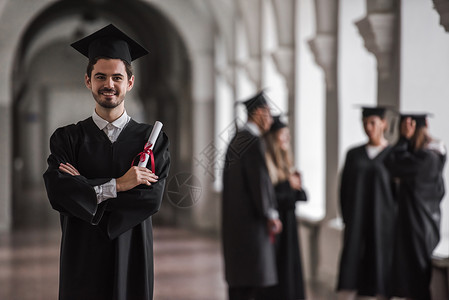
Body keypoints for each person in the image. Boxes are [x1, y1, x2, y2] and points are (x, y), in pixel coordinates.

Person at [43, 24, 170, 300]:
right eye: (100, 77)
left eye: (117, 77)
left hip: (132, 252)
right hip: (82, 253)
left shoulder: (152, 140)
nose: (109, 85)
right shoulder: (67, 138)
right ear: (88, 80)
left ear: (130, 82)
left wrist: (86, 191)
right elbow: (59, 193)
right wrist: (120, 184)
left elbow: (150, 199)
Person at [222, 91, 282, 300]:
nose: (271, 119)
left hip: (237, 227)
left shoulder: (237, 140)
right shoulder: (252, 141)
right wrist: (271, 214)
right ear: (258, 113)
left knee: (240, 284)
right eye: (268, 113)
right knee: (251, 284)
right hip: (251, 228)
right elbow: (260, 184)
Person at [337, 107, 396, 300]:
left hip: (383, 222)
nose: (368, 128)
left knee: (379, 270)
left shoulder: (393, 155)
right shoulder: (353, 154)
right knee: (354, 268)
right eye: (365, 123)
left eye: (373, 122)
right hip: (357, 220)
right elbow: (344, 188)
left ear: (384, 123)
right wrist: (348, 217)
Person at [385, 114, 446, 300]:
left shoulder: (426, 158)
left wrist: (403, 139)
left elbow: (392, 163)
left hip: (418, 228)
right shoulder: (433, 155)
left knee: (416, 287)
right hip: (421, 226)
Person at [260, 116, 307, 300]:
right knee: (279, 269)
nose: (286, 138)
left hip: (289, 225)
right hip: (275, 227)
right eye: (282, 135)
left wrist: (291, 186)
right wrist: (289, 185)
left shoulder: (287, 163)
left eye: (288, 135)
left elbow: (302, 195)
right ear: (273, 138)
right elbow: (271, 197)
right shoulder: (266, 164)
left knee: (290, 270)